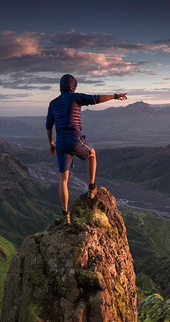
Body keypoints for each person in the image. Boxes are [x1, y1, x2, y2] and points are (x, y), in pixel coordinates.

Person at [46, 74, 127, 224]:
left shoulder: (53, 103)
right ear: (73, 86)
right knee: (92, 154)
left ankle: (65, 214)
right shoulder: (75, 97)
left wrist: (51, 143)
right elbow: (96, 98)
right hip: (74, 139)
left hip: (61, 142)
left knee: (63, 180)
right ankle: (92, 187)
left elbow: (48, 125)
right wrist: (115, 96)